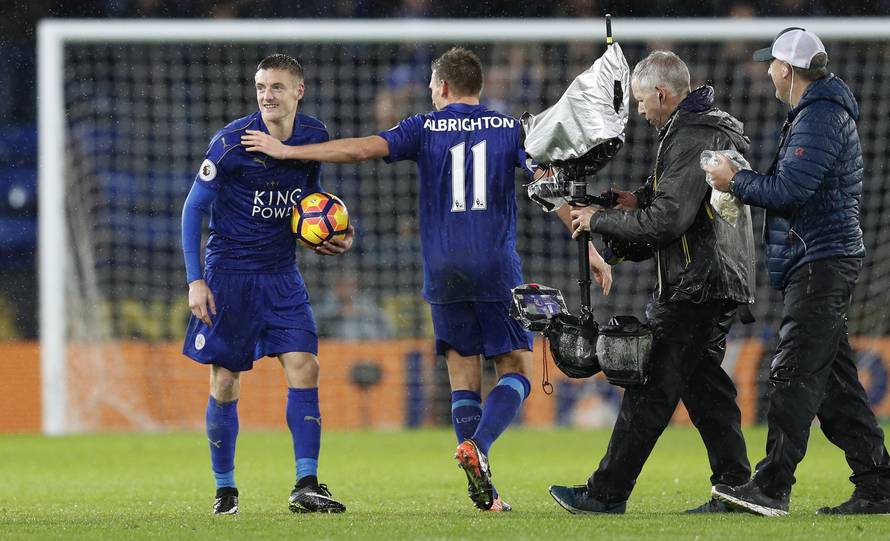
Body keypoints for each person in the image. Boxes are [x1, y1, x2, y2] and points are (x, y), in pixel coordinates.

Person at [241, 46, 612, 512]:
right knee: (515, 368)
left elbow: (360, 150)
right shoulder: (512, 128)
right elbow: (547, 188)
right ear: (477, 86)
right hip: (495, 265)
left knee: (462, 374)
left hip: (441, 270)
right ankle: (479, 448)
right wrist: (590, 246)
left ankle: (485, 490)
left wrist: (286, 149)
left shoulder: (423, 127)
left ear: (441, 87)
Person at [551, 51, 757, 514]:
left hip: (698, 282)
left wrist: (600, 219)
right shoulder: (696, 130)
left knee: (649, 387)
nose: (640, 110)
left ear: (662, 94)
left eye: (642, 100)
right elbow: (672, 200)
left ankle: (606, 494)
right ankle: (738, 487)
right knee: (705, 391)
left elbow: (669, 219)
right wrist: (630, 201)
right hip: (714, 278)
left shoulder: (692, 135)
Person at [706, 27, 890, 516]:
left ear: (787, 69)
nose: (767, 70)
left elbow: (789, 193)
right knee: (834, 387)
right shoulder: (817, 113)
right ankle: (879, 484)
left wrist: (735, 179)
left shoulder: (820, 115)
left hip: (821, 261)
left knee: (790, 376)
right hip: (822, 258)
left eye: (772, 63)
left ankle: (771, 486)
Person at [181, 53, 352, 516]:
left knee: (305, 366)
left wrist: (329, 232)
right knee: (226, 379)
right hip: (229, 274)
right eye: (260, 87)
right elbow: (193, 209)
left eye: (276, 87)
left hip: (281, 275)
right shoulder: (232, 143)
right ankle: (225, 488)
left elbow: (310, 201)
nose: (266, 95)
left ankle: (306, 483)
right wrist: (196, 281)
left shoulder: (314, 136)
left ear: (299, 91)